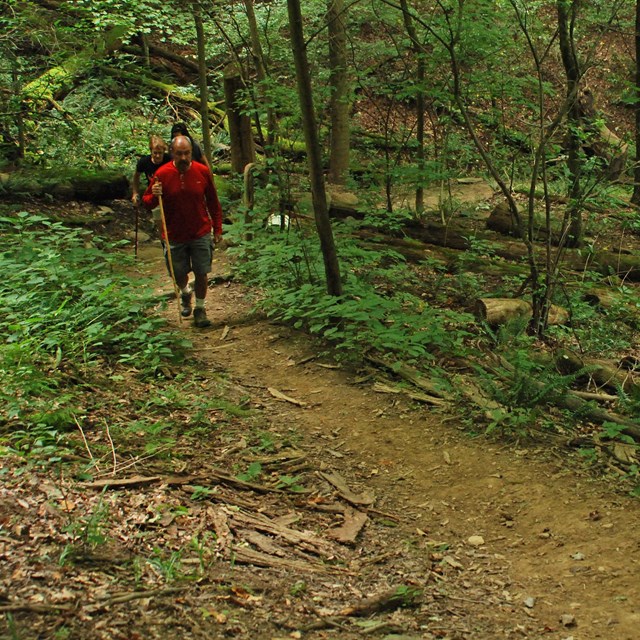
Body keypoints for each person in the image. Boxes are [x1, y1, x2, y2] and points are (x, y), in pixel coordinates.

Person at [142, 135, 223, 328]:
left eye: (187, 153)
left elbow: (213, 201)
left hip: (200, 231)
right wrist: (153, 194)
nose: (184, 157)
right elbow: (147, 203)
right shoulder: (162, 174)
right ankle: (186, 292)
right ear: (172, 154)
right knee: (178, 273)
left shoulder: (202, 172)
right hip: (173, 234)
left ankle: (200, 309)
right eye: (179, 154)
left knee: (202, 272)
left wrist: (217, 228)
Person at [131, 135, 171, 206]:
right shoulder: (144, 162)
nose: (158, 156)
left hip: (168, 194)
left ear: (164, 151)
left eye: (160, 153)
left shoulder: (169, 160)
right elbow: (136, 176)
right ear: (151, 151)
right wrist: (135, 192)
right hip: (153, 195)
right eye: (155, 153)